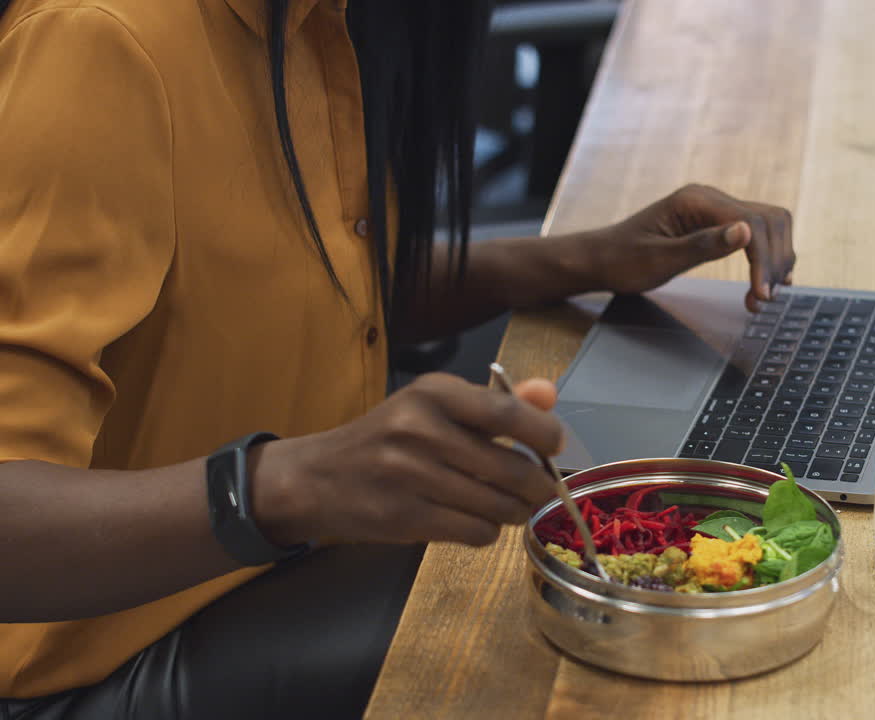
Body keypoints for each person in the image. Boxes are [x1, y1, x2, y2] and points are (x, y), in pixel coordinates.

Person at [0, 0, 795, 717]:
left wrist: (587, 259)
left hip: (293, 550)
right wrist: (288, 484)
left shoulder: (326, 21)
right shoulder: (97, 44)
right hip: (93, 654)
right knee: (609, 652)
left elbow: (312, 288)